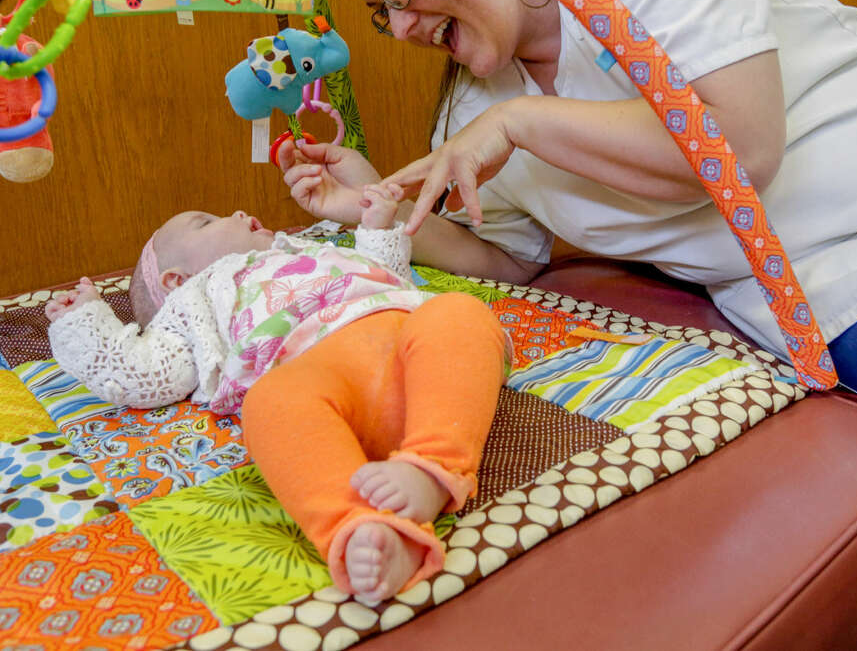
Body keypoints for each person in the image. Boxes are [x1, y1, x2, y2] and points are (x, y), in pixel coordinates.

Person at [275, 0, 857, 629]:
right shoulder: (470, 115)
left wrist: (524, 122)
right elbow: (509, 259)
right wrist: (366, 207)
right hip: (854, 277)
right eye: (380, 12)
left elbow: (737, 145)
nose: (400, 26)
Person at [44, 184, 509, 605]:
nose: (240, 212)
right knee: (268, 400)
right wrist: (85, 323)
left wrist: (376, 228)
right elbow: (145, 374)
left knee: (458, 313)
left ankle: (430, 468)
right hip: (323, 377)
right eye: (207, 221)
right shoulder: (194, 301)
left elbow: (383, 273)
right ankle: (360, 530)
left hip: (409, 347)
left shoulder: (301, 248)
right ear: (175, 279)